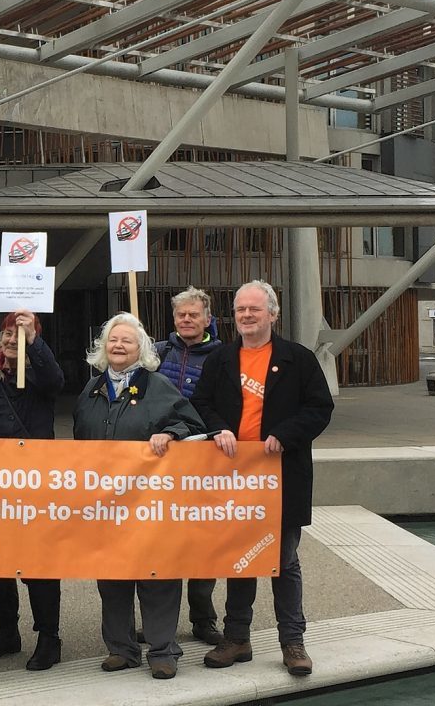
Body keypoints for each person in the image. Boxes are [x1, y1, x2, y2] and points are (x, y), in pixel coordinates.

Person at [192, 280, 333, 677]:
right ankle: (237, 638)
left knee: (283, 560)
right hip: (235, 477)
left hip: (282, 473)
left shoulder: (298, 359)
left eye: (255, 309)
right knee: (240, 559)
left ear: (272, 314)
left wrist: (285, 435)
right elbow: (200, 402)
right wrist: (218, 427)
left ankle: (292, 641)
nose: (247, 316)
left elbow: (320, 408)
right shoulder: (220, 360)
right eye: (240, 310)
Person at [73, 312, 205, 680]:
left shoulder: (157, 385)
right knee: (112, 574)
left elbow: (193, 424)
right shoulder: (92, 389)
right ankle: (121, 648)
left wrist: (172, 433)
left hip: (150, 504)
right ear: (103, 347)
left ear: (141, 349)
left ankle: (163, 650)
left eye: (126, 341)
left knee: (157, 574)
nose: (118, 346)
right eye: (113, 340)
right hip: (105, 504)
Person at [0, 310, 65, 671]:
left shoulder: (41, 372)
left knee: (38, 563)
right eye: (9, 333)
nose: (13, 340)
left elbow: (56, 380)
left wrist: (34, 344)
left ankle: (48, 636)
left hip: (34, 483)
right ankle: (7, 630)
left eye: (21, 334)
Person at [153, 286, 224, 646]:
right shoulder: (157, 353)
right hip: (162, 461)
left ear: (208, 318)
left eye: (193, 314)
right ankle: (158, 622)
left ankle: (203, 618)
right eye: (181, 314)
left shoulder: (224, 357)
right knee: (160, 542)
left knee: (201, 543)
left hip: (203, 459)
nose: (186, 320)